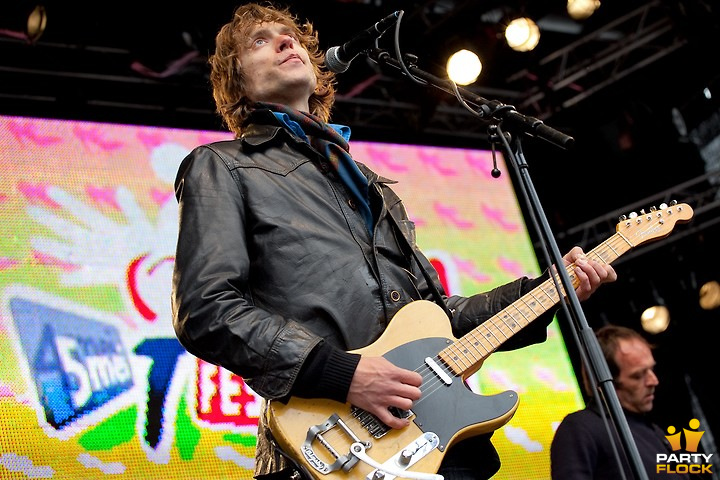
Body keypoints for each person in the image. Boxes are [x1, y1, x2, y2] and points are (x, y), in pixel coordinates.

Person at [170, 3, 616, 480]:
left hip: (431, 440)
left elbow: (436, 318)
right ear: (235, 81)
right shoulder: (223, 165)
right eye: (261, 40)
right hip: (329, 448)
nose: (286, 42)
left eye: (292, 36)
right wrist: (343, 374)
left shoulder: (367, 182)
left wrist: (547, 290)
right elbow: (206, 307)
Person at [550, 325, 693, 480]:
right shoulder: (581, 428)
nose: (654, 381)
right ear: (606, 382)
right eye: (638, 375)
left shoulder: (655, 432)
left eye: (651, 370)